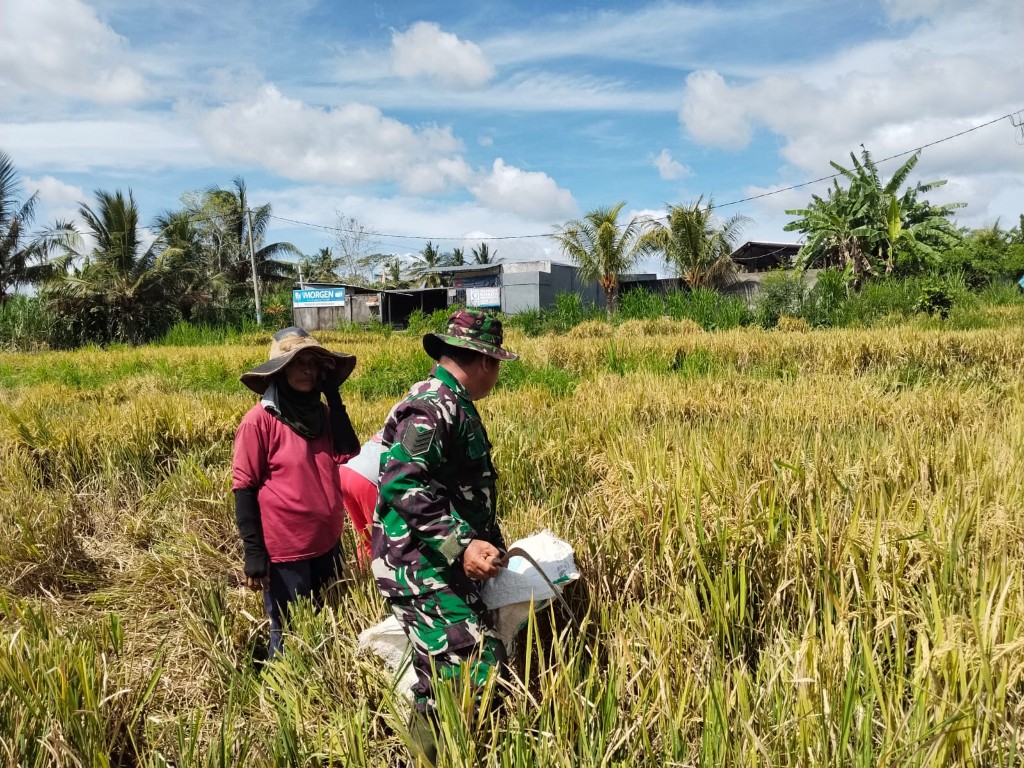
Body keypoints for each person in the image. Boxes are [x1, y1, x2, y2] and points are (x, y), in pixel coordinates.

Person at [371, 308, 517, 765]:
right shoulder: (432, 407)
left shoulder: (453, 403)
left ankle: (439, 753)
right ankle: (435, 756)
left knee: (448, 668)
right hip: (418, 564)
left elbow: (456, 488)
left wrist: (487, 540)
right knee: (467, 662)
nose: (496, 375)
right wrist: (461, 545)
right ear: (484, 361)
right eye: (496, 365)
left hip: (440, 560)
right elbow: (401, 482)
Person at [232, 326, 360, 659]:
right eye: (296, 362)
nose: (306, 369)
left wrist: (333, 396)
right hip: (287, 548)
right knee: (289, 632)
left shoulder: (323, 414)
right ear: (280, 370)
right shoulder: (259, 421)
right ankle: (281, 698)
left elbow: (348, 450)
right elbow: (243, 487)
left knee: (326, 624)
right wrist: (254, 553)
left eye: (313, 363)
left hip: (327, 540)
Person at [338, 430, 385, 563]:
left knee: (366, 537)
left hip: (347, 470)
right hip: (368, 480)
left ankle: (364, 573)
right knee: (381, 539)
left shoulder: (398, 419)